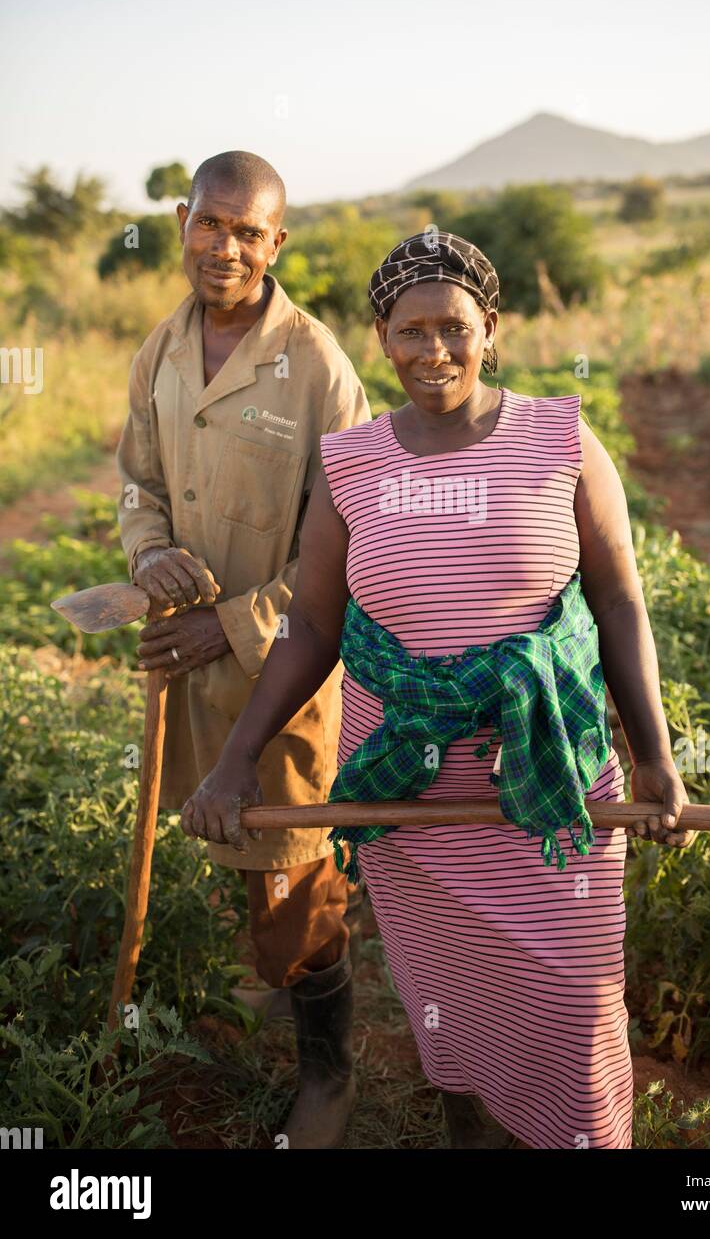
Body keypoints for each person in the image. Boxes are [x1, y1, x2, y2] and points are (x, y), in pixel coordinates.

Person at [181, 230, 695, 1150]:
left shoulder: (562, 440)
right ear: (381, 337)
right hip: (412, 803)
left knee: (577, 1005)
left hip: (546, 791)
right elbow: (312, 628)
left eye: (454, 328)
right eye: (410, 331)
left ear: (489, 329)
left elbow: (618, 601)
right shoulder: (352, 466)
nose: (434, 352)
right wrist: (233, 761)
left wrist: (653, 755)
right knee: (454, 1019)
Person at [115, 150, 371, 1150]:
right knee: (233, 850)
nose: (226, 247)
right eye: (210, 224)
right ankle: (274, 977)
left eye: (248, 232)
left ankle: (331, 1071)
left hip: (284, 672)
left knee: (295, 884)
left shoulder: (315, 365)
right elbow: (138, 478)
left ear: (276, 244)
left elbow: (341, 548)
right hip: (189, 675)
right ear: (181, 221)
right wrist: (149, 552)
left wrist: (223, 622)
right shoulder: (161, 349)